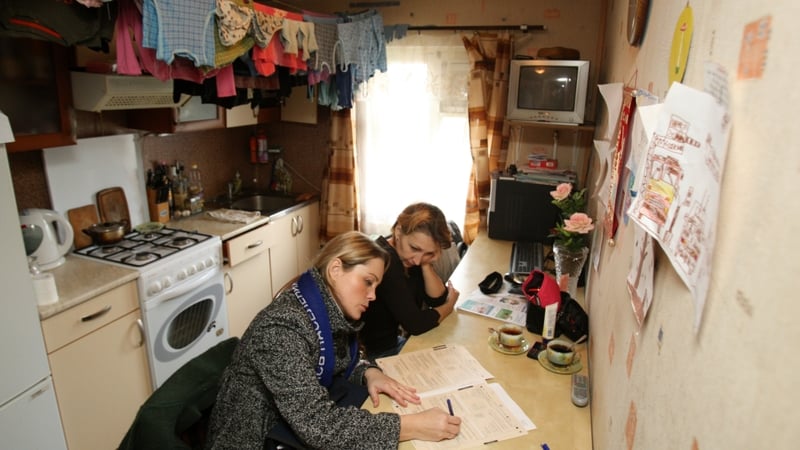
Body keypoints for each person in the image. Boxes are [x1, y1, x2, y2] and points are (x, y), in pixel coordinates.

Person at [205, 231, 461, 449]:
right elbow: (319, 427)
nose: (372, 296)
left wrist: (369, 372)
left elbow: (340, 358)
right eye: (367, 282)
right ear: (336, 269)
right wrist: (412, 425)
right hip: (256, 440)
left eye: (376, 287)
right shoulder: (281, 328)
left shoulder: (323, 306)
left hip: (284, 428)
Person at [360, 203, 460, 361]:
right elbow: (415, 324)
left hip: (391, 343)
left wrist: (427, 263)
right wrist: (449, 306)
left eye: (428, 253)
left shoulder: (408, 257)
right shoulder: (385, 260)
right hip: (373, 354)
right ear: (398, 231)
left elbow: (436, 299)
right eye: (414, 247)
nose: (417, 259)